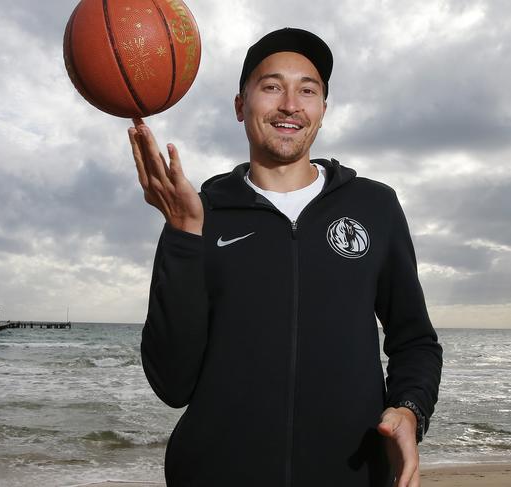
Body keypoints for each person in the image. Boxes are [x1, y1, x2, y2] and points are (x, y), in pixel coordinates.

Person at [128, 28, 442, 487]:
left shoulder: (374, 206)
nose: (290, 104)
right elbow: (172, 384)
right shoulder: (198, 212)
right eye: (272, 86)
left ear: (322, 111)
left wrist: (410, 410)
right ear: (241, 106)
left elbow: (414, 339)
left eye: (307, 90)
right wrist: (183, 234)